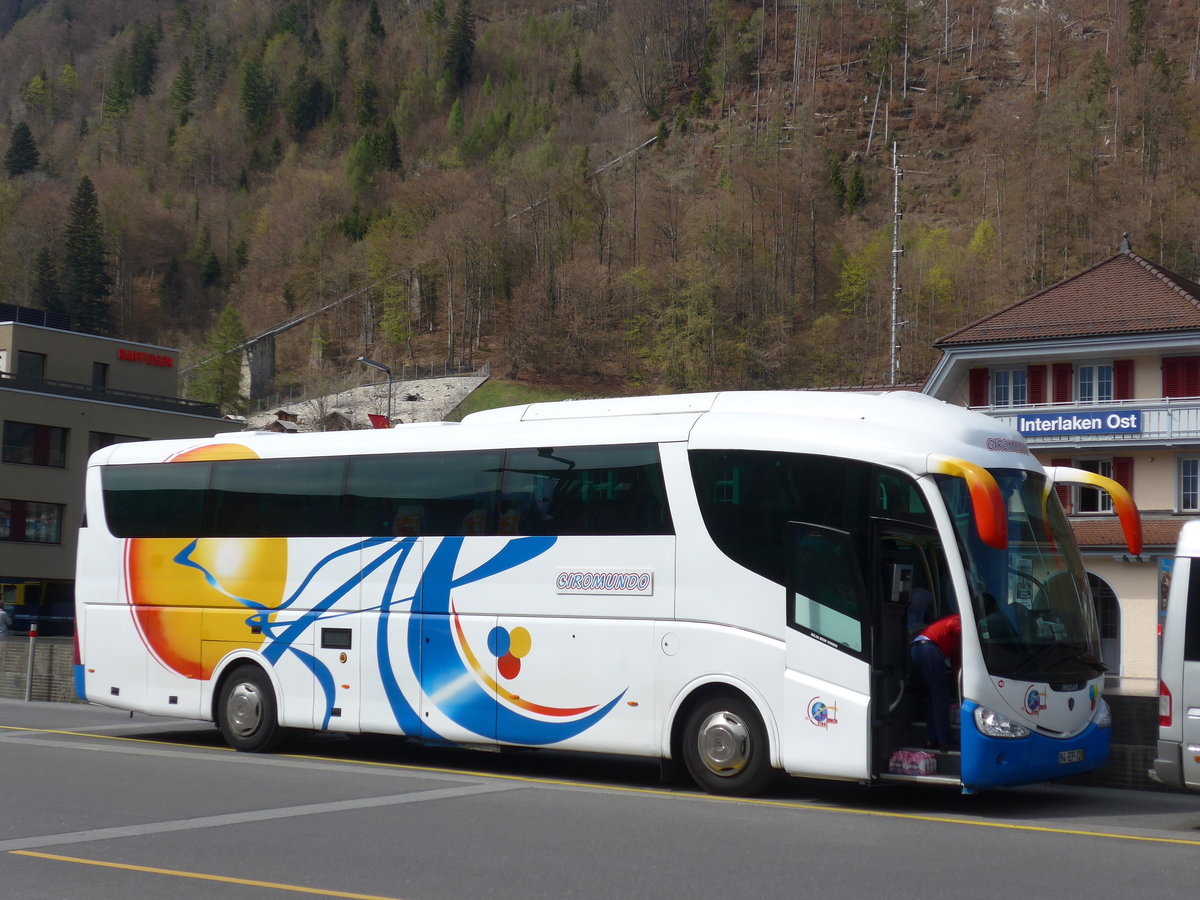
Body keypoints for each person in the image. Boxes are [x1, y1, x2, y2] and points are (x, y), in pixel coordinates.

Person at [910, 613, 961, 750]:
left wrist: (956, 685)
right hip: (928, 649)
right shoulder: (959, 620)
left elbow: (956, 663)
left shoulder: (955, 636)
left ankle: (932, 738)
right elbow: (958, 629)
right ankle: (945, 740)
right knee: (940, 697)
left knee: (936, 697)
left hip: (920, 649)